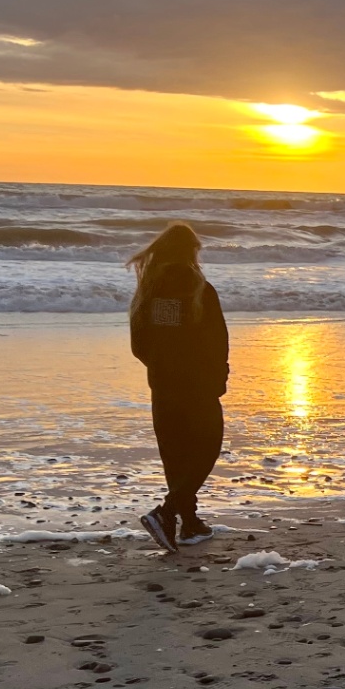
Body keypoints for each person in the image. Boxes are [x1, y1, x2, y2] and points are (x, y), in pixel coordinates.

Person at [128, 223, 229, 552]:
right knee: (207, 445)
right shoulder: (200, 288)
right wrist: (218, 377)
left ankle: (189, 524)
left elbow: (139, 345)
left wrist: (161, 369)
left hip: (162, 382)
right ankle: (168, 513)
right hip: (197, 383)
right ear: (190, 252)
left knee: (175, 453)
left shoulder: (148, 292)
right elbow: (217, 340)